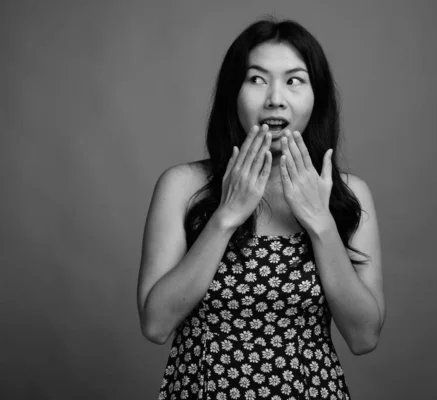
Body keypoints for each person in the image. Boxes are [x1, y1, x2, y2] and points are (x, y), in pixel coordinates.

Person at [137, 18, 385, 400]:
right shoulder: (181, 186)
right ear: (232, 94)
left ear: (316, 96)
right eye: (256, 79)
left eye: (294, 80)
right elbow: (155, 325)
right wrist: (225, 217)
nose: (275, 98)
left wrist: (320, 223)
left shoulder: (350, 194)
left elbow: (364, 336)